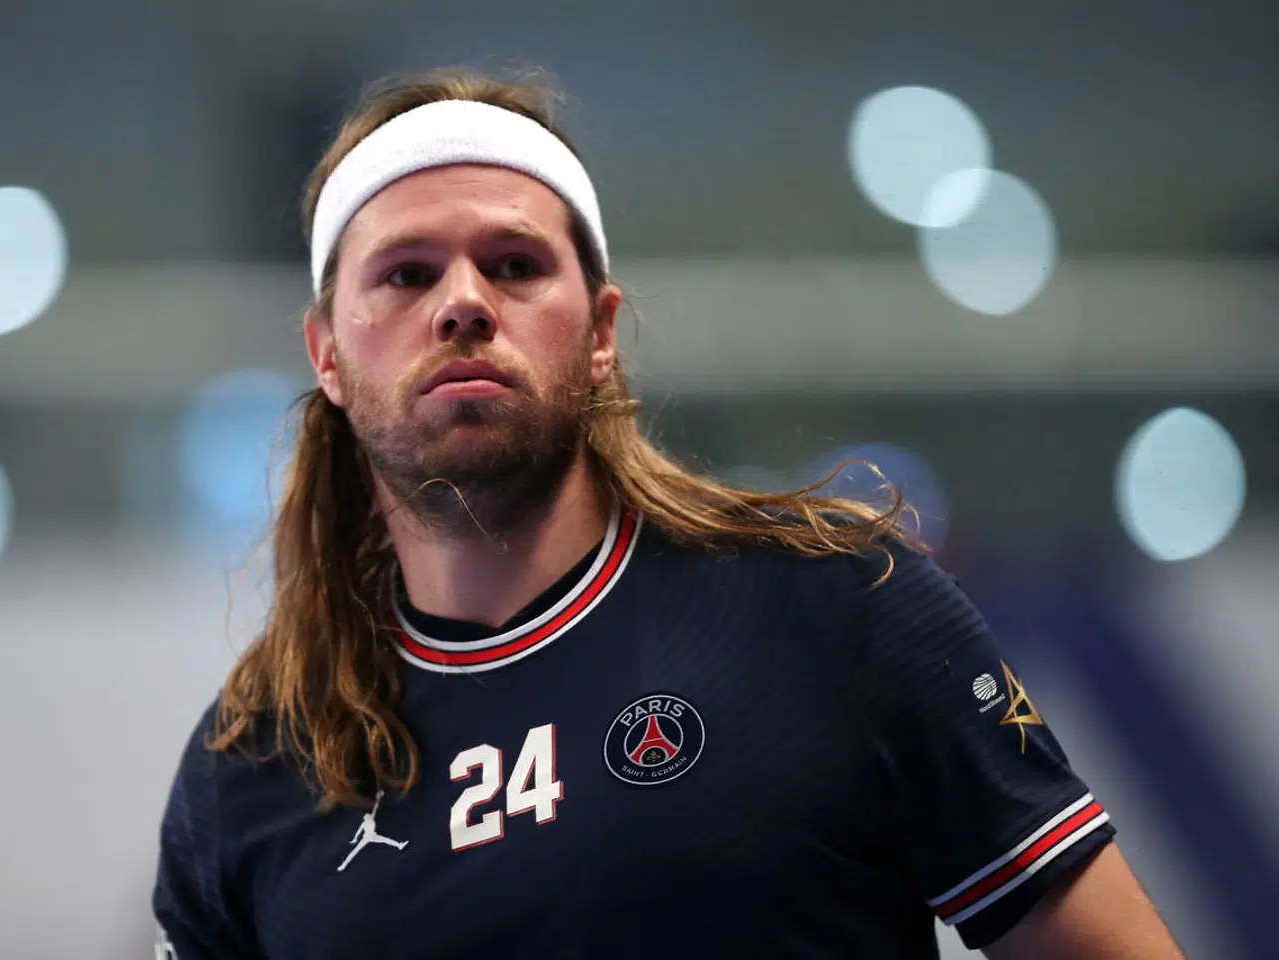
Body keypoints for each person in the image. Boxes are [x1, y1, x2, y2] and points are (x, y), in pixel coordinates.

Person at [152, 67, 1185, 958]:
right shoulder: (249, 769)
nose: (463, 302)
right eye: (407, 273)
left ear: (601, 332)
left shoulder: (834, 609)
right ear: (328, 354)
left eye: (514, 265)